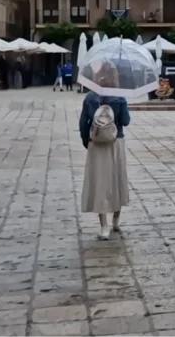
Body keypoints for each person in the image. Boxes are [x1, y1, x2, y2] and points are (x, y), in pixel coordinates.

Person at [79, 63, 131, 240]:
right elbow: (125, 120)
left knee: (100, 183)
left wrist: (88, 142)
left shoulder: (90, 98)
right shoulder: (120, 97)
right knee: (116, 180)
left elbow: (83, 124)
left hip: (97, 144)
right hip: (116, 142)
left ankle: (104, 227)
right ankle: (116, 220)